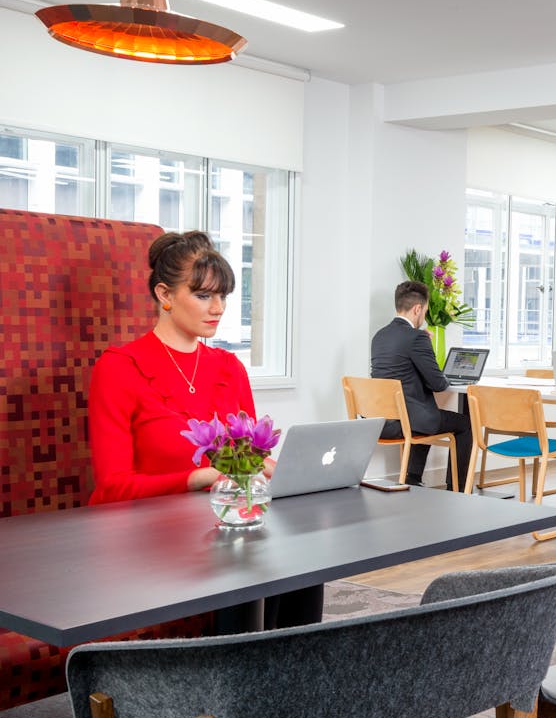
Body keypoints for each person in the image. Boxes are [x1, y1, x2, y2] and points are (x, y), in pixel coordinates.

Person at [88, 230, 317, 628]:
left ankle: (294, 665)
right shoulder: (119, 368)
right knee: (244, 563)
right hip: (149, 533)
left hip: (221, 526)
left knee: (307, 557)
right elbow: (111, 488)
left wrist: (273, 470)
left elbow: (248, 458)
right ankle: (244, 665)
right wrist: (196, 478)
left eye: (223, 296)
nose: (218, 308)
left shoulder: (229, 368)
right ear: (164, 294)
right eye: (203, 295)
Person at [370, 280, 473, 488]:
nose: (424, 317)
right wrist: (426, 345)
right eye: (425, 312)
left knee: (424, 411)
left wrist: (421, 342)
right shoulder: (417, 338)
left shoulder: (379, 336)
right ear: (417, 309)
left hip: (380, 422)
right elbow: (438, 384)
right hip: (409, 422)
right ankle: (458, 489)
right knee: (465, 424)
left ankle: (413, 478)